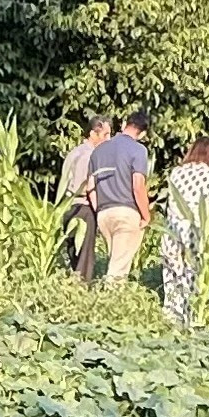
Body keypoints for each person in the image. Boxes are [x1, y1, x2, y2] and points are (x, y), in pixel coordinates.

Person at [158, 133, 209, 327]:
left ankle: (169, 319)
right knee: (190, 278)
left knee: (171, 276)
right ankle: (188, 321)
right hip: (194, 232)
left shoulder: (177, 172)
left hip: (172, 230)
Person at [83, 112, 155, 287]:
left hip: (104, 214)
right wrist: (146, 216)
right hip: (126, 212)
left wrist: (98, 209)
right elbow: (138, 186)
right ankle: (109, 308)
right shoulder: (139, 150)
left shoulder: (98, 150)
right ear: (143, 133)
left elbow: (90, 187)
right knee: (117, 271)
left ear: (124, 124)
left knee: (114, 261)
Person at [56, 118, 110, 280]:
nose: (108, 139)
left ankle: (73, 284)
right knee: (85, 256)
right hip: (83, 208)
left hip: (68, 207)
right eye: (105, 135)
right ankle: (81, 290)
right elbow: (86, 186)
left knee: (74, 251)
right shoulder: (89, 156)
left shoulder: (74, 152)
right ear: (93, 133)